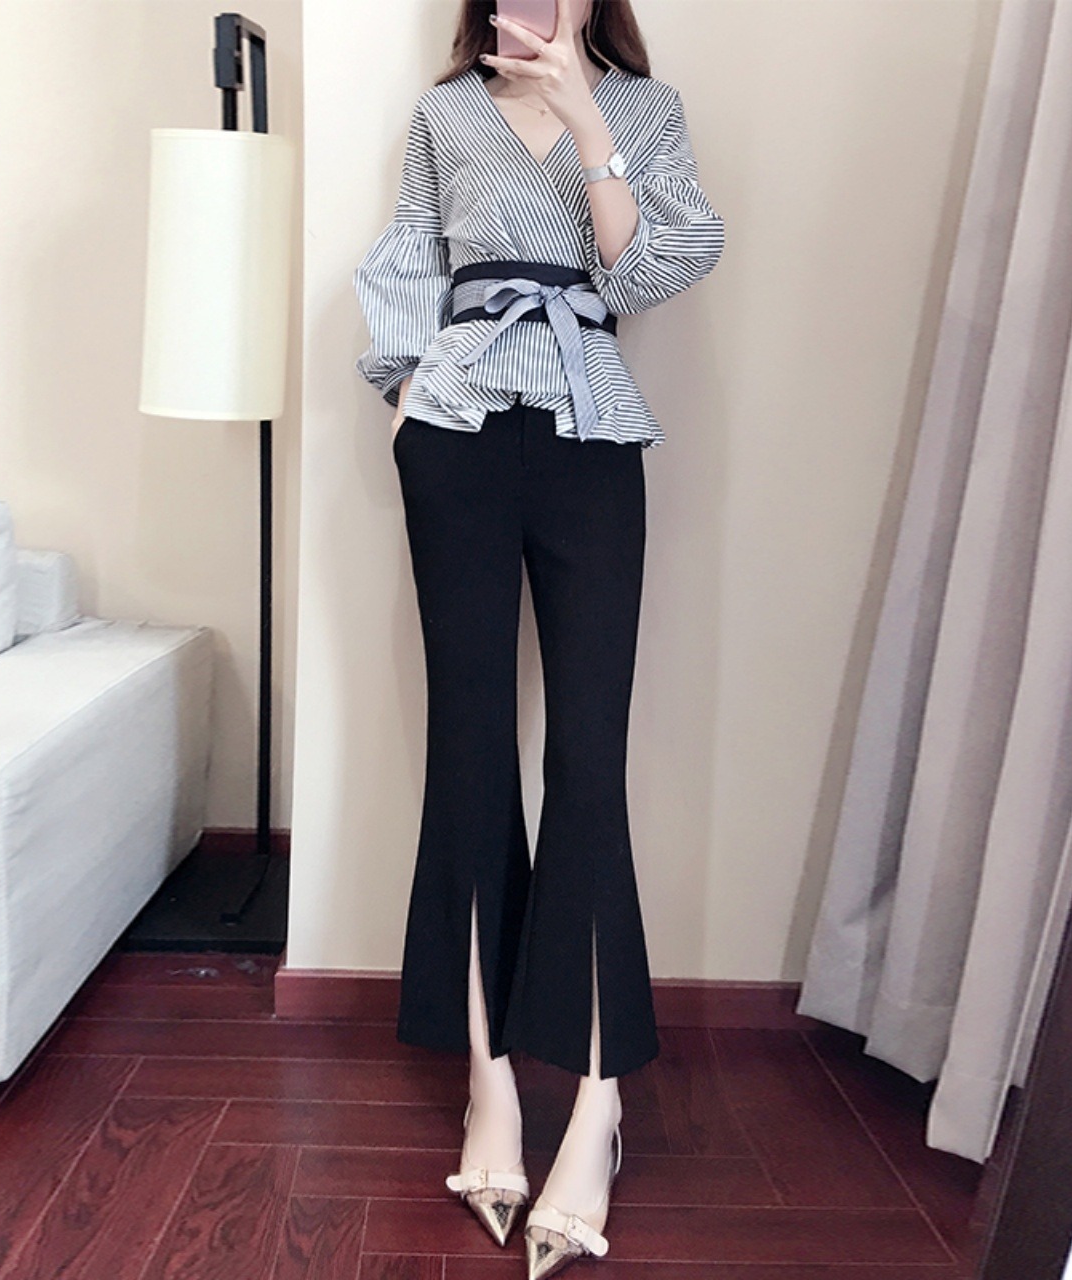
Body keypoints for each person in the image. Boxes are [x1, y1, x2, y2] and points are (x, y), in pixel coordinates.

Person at [353, 0, 723, 1273]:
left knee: (586, 763)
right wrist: (404, 392)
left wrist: (585, 120)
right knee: (467, 753)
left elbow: (647, 271)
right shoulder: (443, 114)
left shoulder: (644, 110)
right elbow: (408, 252)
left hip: (587, 430)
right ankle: (489, 1081)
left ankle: (599, 1100)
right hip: (455, 432)